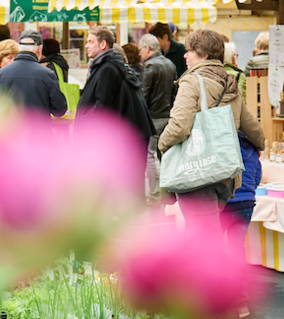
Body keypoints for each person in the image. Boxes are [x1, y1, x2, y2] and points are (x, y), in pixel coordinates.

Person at [158, 29, 265, 222]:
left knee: (203, 234)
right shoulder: (229, 82)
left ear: (204, 54)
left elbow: (179, 127)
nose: (185, 55)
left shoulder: (192, 81)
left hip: (196, 170)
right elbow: (252, 127)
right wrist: (260, 145)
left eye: (189, 51)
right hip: (223, 174)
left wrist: (162, 145)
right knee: (210, 229)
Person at [79, 26, 154, 142]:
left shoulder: (108, 68)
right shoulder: (106, 66)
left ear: (103, 44)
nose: (86, 46)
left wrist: (85, 119)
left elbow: (103, 106)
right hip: (127, 134)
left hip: (119, 136)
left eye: (90, 42)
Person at [0, 31, 67, 117]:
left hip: (9, 125)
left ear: (19, 48)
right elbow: (59, 110)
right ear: (39, 50)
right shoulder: (47, 74)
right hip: (39, 125)